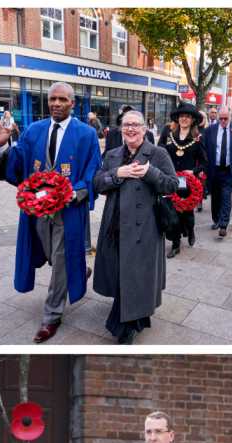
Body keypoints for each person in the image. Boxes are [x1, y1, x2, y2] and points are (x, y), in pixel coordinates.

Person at [0, 83, 102, 344]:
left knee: (60, 259)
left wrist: (76, 192)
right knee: (49, 253)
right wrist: (2, 146)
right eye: (52, 99)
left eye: (62, 99)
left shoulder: (86, 134)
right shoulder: (34, 130)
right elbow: (16, 166)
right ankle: (77, 268)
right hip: (36, 209)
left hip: (68, 210)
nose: (56, 104)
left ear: (72, 103)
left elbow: (93, 169)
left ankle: (51, 315)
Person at [92, 109, 181, 345]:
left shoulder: (158, 154)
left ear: (144, 129)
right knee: (121, 271)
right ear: (121, 129)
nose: (130, 129)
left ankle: (127, 325)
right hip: (115, 224)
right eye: (126, 125)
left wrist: (151, 172)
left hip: (145, 228)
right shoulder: (112, 155)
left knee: (137, 273)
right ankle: (132, 314)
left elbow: (173, 185)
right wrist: (117, 174)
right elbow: (98, 183)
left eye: (135, 125)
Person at [158, 102, 206, 258]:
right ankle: (176, 244)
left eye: (187, 116)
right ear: (177, 118)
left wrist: (193, 171)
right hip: (170, 180)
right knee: (172, 214)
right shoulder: (168, 135)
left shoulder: (197, 139)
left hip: (187, 183)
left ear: (192, 120)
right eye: (181, 116)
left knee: (186, 213)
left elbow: (205, 162)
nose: (184, 119)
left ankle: (190, 230)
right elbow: (159, 153)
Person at [203, 107, 232, 240]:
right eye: (220, 118)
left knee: (226, 196)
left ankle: (223, 225)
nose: (223, 121)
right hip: (214, 170)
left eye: (225, 118)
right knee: (215, 197)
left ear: (230, 117)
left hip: (229, 170)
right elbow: (204, 150)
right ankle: (216, 219)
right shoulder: (210, 130)